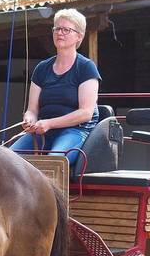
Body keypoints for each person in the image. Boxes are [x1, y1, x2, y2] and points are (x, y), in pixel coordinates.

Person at [11, 8, 101, 165]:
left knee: (54, 162)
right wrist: (29, 119)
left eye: (66, 29)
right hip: (42, 131)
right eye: (57, 28)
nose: (60, 33)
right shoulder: (42, 68)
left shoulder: (86, 67)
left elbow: (85, 113)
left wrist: (49, 123)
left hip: (75, 130)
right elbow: (32, 110)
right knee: (7, 159)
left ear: (79, 36)